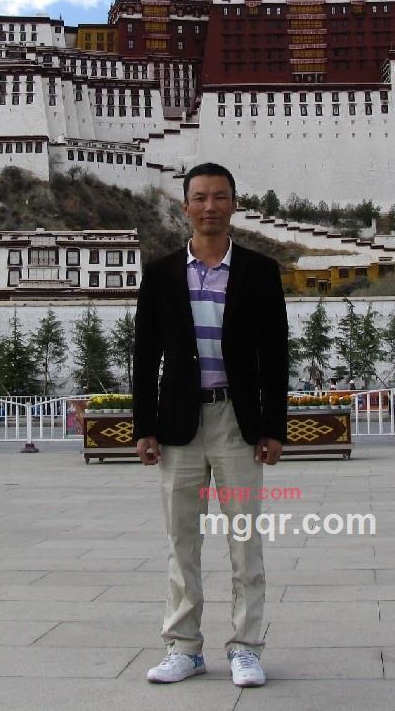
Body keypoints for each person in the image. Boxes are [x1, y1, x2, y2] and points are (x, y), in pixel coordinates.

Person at [133, 162, 289, 688]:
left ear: (233, 204)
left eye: (219, 197)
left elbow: (276, 355)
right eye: (199, 197)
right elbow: (144, 356)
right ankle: (184, 647)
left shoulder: (259, 271)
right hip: (179, 423)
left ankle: (246, 647)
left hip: (236, 422)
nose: (209, 207)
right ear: (185, 206)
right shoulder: (161, 274)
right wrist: (144, 426)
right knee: (182, 541)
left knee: (245, 541)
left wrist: (274, 427)